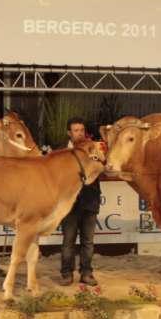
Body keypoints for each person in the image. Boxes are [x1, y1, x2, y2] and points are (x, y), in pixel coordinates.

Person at [59, 117, 101, 286]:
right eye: (76, 130)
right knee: (68, 241)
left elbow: (101, 170)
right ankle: (66, 274)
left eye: (82, 130)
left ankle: (86, 273)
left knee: (88, 242)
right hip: (70, 203)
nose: (80, 133)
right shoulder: (62, 153)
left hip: (90, 201)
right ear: (69, 133)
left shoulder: (93, 150)